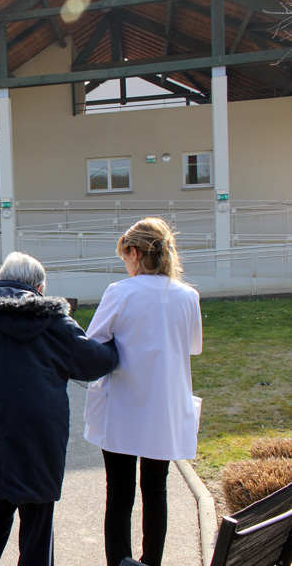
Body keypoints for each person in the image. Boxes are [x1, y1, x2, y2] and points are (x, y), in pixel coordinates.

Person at [0, 251, 120, 566]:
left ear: (0, 280)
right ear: (39, 288)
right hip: (39, 445)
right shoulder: (57, 324)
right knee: (37, 537)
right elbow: (96, 363)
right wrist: (117, 339)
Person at [83, 217, 203, 566]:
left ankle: (119, 562)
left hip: (123, 406)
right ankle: (152, 562)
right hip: (164, 409)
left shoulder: (120, 292)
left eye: (125, 256)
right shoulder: (188, 296)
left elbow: (92, 343)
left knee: (119, 494)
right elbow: (192, 346)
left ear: (134, 253)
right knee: (156, 490)